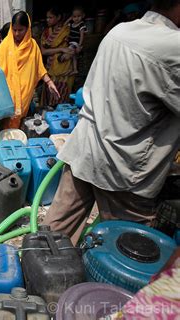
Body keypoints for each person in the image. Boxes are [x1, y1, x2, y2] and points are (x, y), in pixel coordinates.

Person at [43, 0, 180, 245]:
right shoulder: (173, 47)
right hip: (123, 170)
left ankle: (36, 277)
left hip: (84, 151)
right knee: (123, 255)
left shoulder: (118, 32)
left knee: (52, 237)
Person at [0, 11, 60, 129]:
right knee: (6, 124)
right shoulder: (5, 45)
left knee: (20, 121)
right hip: (8, 95)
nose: (17, 33)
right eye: (14, 29)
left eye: (21, 30)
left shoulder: (33, 45)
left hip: (26, 93)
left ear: (27, 28)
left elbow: (39, 67)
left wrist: (49, 82)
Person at [40, 7, 76, 106]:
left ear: (58, 17)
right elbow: (43, 51)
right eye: (47, 18)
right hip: (50, 69)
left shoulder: (66, 31)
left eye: (50, 17)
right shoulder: (46, 33)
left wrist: (66, 51)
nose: (48, 20)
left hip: (64, 70)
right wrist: (60, 49)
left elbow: (73, 48)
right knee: (50, 98)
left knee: (62, 98)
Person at [65, 6, 87, 75]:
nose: (76, 18)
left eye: (78, 16)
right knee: (73, 57)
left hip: (76, 44)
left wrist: (79, 46)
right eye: (74, 16)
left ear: (83, 16)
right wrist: (69, 19)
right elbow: (64, 25)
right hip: (71, 43)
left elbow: (82, 36)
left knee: (69, 53)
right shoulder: (72, 24)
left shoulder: (81, 25)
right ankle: (74, 69)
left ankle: (69, 69)